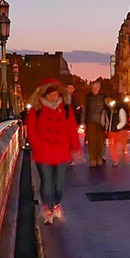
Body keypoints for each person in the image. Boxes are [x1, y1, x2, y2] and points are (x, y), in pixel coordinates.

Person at [25, 80, 79, 224]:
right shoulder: (36, 109)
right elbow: (31, 130)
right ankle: (48, 208)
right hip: (43, 152)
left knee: (59, 183)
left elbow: (71, 129)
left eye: (55, 95)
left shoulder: (66, 109)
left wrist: (75, 147)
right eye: (50, 95)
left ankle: (56, 204)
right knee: (47, 182)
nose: (53, 98)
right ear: (45, 95)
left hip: (61, 151)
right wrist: (36, 146)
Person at [83, 80, 108, 167]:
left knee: (100, 141)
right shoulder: (88, 97)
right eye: (93, 88)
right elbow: (84, 109)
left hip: (101, 122)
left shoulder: (104, 96)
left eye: (96, 87)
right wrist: (83, 122)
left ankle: (99, 157)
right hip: (90, 121)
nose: (95, 89)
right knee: (92, 141)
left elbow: (108, 108)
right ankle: (92, 158)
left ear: (99, 88)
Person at [106, 97, 130, 165]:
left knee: (115, 145)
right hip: (112, 130)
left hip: (117, 130)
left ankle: (116, 159)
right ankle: (115, 159)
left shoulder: (119, 110)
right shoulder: (110, 110)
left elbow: (123, 120)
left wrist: (117, 127)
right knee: (112, 146)